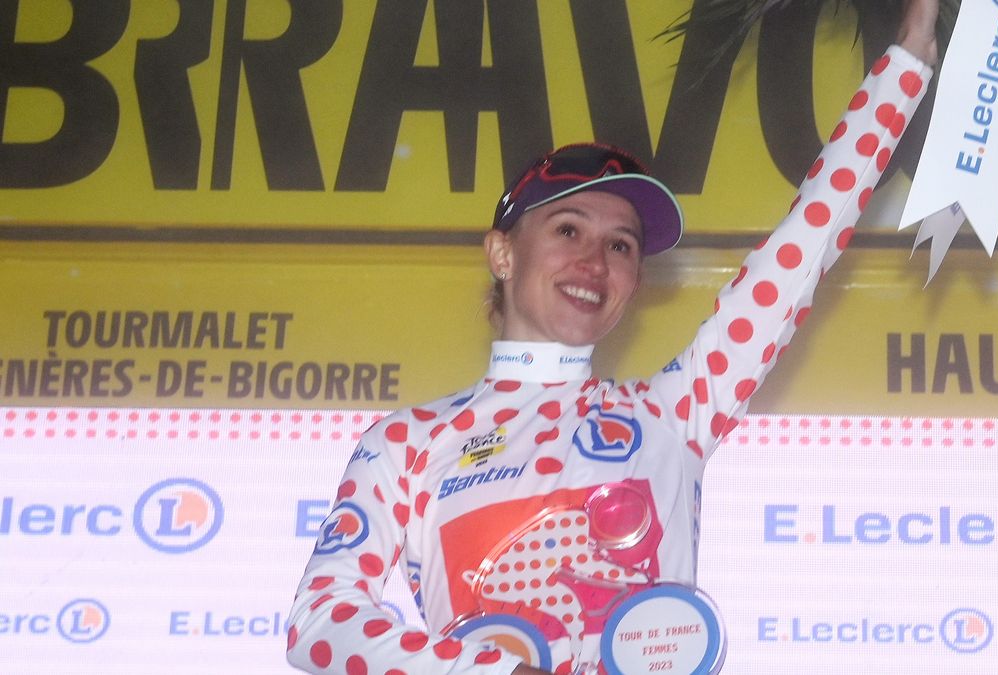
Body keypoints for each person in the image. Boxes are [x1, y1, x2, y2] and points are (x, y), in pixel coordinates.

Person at [287, 2, 940, 673]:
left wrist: (910, 56)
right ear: (503, 253)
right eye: (568, 230)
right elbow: (320, 621)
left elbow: (808, 237)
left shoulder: (673, 414)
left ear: (635, 280)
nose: (594, 262)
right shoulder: (405, 444)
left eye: (620, 245)